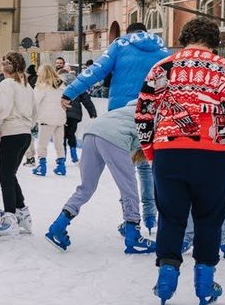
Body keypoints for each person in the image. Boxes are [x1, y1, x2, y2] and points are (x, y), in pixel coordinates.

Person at [136, 18, 225, 305]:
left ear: (184, 38)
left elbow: (144, 112)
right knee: (209, 217)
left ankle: (166, 279)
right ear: (214, 42)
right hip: (213, 154)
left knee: (171, 216)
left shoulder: (163, 67)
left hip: (168, 151)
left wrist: (151, 150)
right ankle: (205, 283)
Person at [63, 22, 170, 233]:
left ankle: (130, 220)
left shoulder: (120, 45)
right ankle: (150, 216)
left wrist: (70, 91)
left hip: (120, 116)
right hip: (151, 114)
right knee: (147, 167)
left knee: (126, 173)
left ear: (128, 33)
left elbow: (96, 70)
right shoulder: (162, 50)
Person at [45, 100, 156, 254]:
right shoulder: (155, 117)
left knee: (86, 187)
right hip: (114, 137)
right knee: (129, 189)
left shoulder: (126, 110)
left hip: (91, 133)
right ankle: (133, 236)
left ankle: (58, 225)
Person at [0, 52, 36, 236]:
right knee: (11, 175)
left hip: (12, 133)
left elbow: (2, 108)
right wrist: (27, 125)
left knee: (5, 177)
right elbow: (35, 111)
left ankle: (10, 217)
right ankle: (21, 211)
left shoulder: (6, 84)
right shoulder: (26, 86)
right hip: (24, 134)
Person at [32, 65, 68, 177]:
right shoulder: (62, 85)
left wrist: (32, 119)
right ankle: (61, 165)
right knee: (59, 143)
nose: (37, 74)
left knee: (42, 143)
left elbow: (35, 103)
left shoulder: (41, 87)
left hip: (46, 119)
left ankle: (41, 166)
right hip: (60, 118)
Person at [64, 87, 96, 164]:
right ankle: (74, 155)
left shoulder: (60, 84)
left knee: (62, 135)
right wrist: (93, 113)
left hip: (62, 113)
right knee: (71, 134)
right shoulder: (78, 85)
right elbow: (87, 101)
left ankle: (62, 156)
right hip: (74, 116)